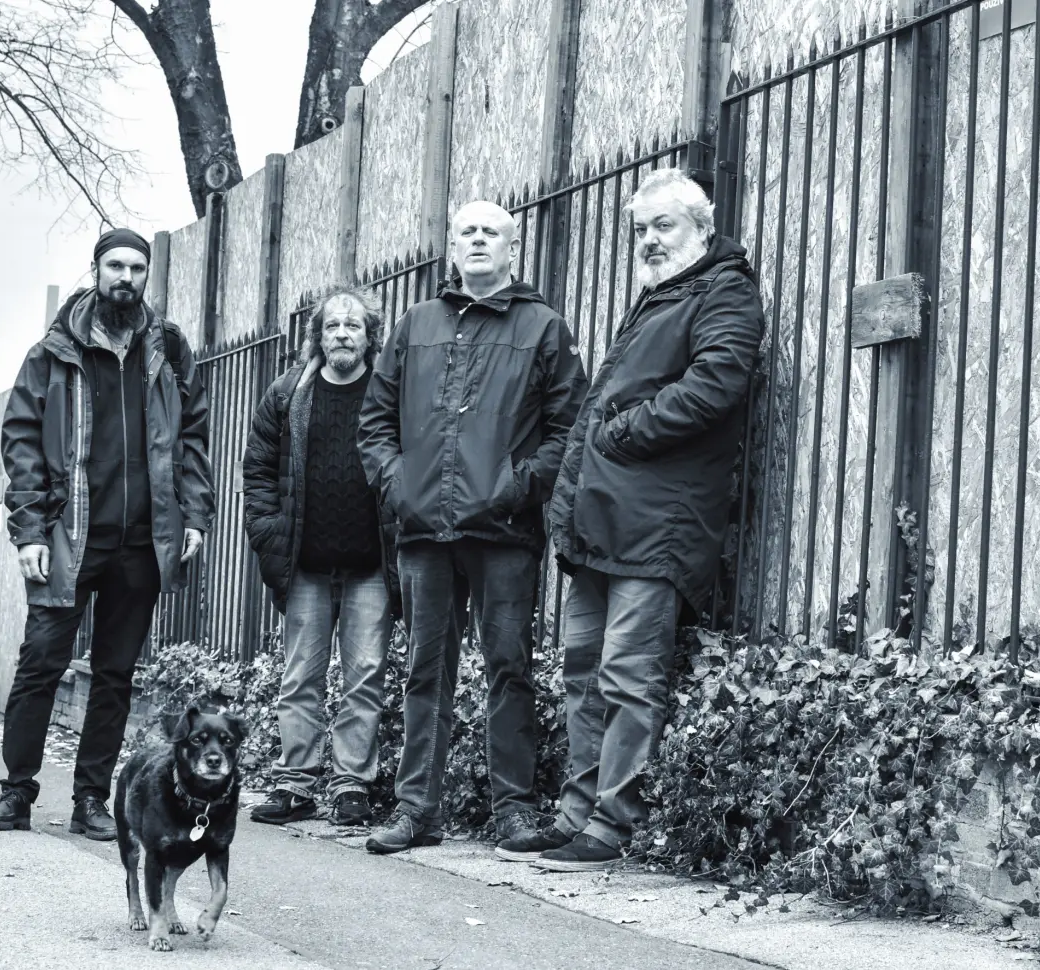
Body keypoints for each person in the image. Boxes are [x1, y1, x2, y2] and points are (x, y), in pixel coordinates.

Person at [503, 168, 765, 871]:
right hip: (604, 522)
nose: (648, 240)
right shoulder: (661, 295)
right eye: (640, 230)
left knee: (627, 674)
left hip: (659, 525)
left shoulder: (724, 291)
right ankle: (574, 817)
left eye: (662, 226)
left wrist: (622, 433)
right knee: (584, 672)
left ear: (701, 228)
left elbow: (715, 385)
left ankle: (610, 826)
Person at [357, 200, 589, 854]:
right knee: (424, 670)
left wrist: (517, 487)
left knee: (509, 667)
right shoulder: (416, 324)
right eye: (468, 231)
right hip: (424, 530)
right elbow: (375, 423)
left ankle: (513, 811)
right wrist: (399, 487)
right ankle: (416, 810)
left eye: (492, 231)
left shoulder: (543, 327)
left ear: (513, 247)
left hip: (504, 532)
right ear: (452, 247)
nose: (479, 239)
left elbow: (569, 428)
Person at [0, 227, 214, 839]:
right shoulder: (52, 352)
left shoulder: (170, 349)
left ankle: (90, 800)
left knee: (114, 675)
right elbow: (21, 441)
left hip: (142, 541)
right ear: (96, 271)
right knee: (40, 664)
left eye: (136, 268)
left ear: (147, 276)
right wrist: (29, 529)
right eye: (115, 266)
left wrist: (194, 515)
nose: (125, 277)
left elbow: (192, 438)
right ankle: (16, 793)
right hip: (67, 536)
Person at [241, 286, 401, 828]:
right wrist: (267, 533)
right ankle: (295, 783)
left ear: (370, 336)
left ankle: (351, 785)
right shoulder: (289, 392)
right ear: (318, 335)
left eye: (353, 326)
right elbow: (258, 469)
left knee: (365, 678)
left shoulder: (389, 393)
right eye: (332, 325)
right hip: (305, 564)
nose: (342, 334)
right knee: (299, 677)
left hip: (370, 565)